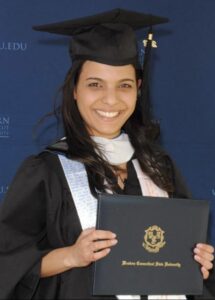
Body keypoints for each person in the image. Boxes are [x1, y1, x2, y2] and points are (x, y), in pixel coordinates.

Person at [0, 8, 214, 300]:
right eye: (95, 84)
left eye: (124, 85)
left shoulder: (160, 167)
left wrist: (198, 262)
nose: (110, 100)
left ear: (138, 89)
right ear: (74, 89)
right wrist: (72, 256)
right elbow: (8, 263)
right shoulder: (46, 171)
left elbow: (179, 257)